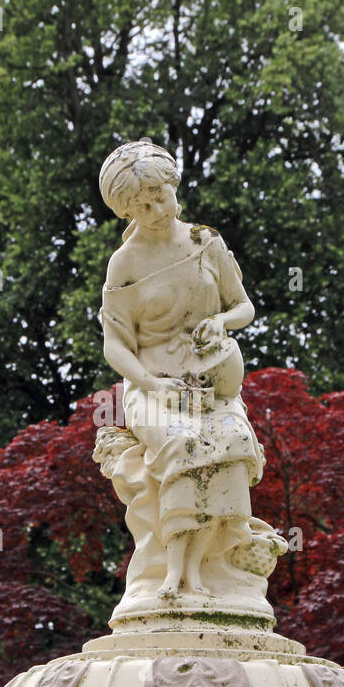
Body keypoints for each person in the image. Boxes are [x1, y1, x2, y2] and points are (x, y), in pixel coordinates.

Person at [98, 139, 272, 599]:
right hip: (151, 385)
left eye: (161, 196)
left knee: (232, 440)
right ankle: (174, 573)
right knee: (182, 442)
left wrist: (220, 321)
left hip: (210, 381)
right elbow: (115, 346)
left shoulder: (204, 242)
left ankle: (202, 570)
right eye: (142, 204)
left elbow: (243, 308)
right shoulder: (125, 264)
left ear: (174, 187)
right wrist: (150, 383)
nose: (156, 208)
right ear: (127, 211)